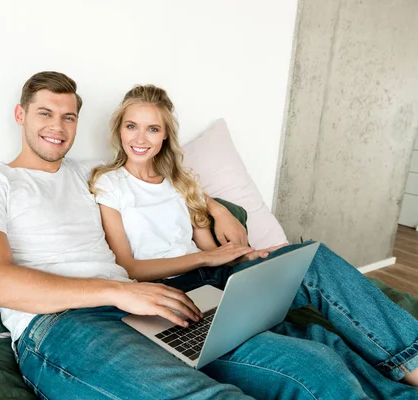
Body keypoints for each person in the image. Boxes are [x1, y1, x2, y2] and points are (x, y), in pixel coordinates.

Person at [0, 71, 418, 399]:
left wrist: (211, 206)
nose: (57, 127)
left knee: (316, 367)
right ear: (20, 114)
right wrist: (121, 290)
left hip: (145, 303)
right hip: (62, 324)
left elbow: (162, 173)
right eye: (44, 113)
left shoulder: (91, 173)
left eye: (68, 117)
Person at [88, 84, 418, 399]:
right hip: (171, 292)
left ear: (165, 136)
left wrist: (244, 257)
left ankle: (412, 364)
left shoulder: (180, 182)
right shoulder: (110, 184)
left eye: (152, 129)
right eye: (131, 126)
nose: (140, 138)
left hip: (215, 279)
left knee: (312, 259)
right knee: (319, 349)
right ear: (119, 129)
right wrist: (208, 259)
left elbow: (209, 248)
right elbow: (130, 267)